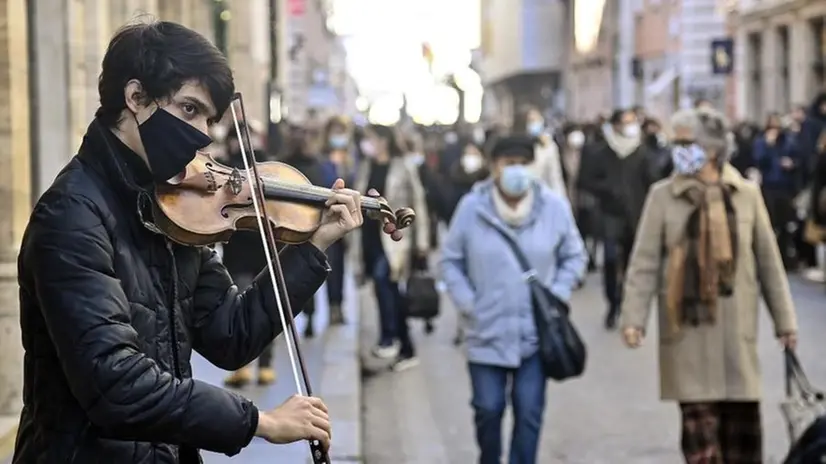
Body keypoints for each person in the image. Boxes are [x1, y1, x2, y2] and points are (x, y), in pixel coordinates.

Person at [13, 21, 401, 463]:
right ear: (136, 98)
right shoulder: (71, 216)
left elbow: (231, 335)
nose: (205, 137)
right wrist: (258, 421)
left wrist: (311, 249)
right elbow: (115, 384)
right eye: (190, 110)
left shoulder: (172, 207)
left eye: (211, 120)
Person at [621, 108, 798, 464]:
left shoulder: (746, 194)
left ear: (713, 149)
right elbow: (644, 263)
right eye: (677, 143)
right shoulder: (662, 196)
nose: (679, 150)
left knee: (742, 442)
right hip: (687, 334)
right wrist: (633, 319)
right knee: (701, 443)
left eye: (687, 143)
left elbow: (769, 263)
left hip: (736, 336)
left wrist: (786, 322)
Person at [440, 136, 587, 464]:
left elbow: (575, 256)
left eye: (523, 163)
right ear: (493, 167)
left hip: (536, 334)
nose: (517, 171)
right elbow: (450, 260)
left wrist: (556, 295)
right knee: (488, 409)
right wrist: (468, 303)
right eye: (509, 164)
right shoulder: (472, 208)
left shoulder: (553, 207)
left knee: (529, 412)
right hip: (485, 329)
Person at [352, 124, 430, 371]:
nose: (367, 144)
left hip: (395, 239)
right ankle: (405, 347)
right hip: (369, 239)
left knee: (384, 279)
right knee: (388, 292)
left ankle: (389, 338)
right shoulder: (366, 166)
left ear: (384, 141)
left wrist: (422, 242)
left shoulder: (402, 165)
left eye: (371, 139)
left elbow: (418, 202)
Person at [578, 108, 656, 330]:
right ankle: (613, 302)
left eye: (634, 122)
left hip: (637, 215)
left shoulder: (643, 152)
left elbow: (653, 180)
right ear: (615, 126)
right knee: (611, 259)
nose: (631, 126)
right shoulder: (601, 152)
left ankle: (630, 304)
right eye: (626, 122)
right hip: (610, 214)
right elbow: (586, 180)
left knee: (634, 263)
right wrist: (608, 189)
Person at [219, 121, 280, 388]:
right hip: (239, 248)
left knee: (262, 306)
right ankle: (246, 365)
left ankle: (263, 365)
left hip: (260, 247)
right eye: (237, 138)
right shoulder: (223, 166)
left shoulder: (267, 167)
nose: (242, 143)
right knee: (245, 307)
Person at [320, 115, 356, 325]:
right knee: (329, 264)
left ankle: (339, 304)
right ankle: (331, 306)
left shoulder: (351, 158)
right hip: (328, 218)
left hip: (348, 219)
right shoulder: (322, 158)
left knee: (341, 267)